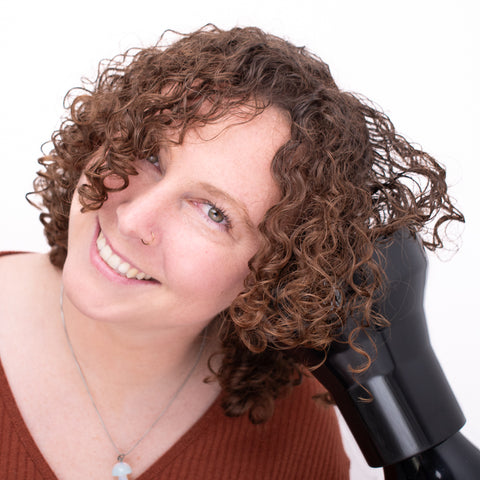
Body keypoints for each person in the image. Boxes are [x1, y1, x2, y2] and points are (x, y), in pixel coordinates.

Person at [0, 25, 462, 479]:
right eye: (149, 154)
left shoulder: (298, 450)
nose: (135, 219)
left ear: (276, 272)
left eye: (213, 213)